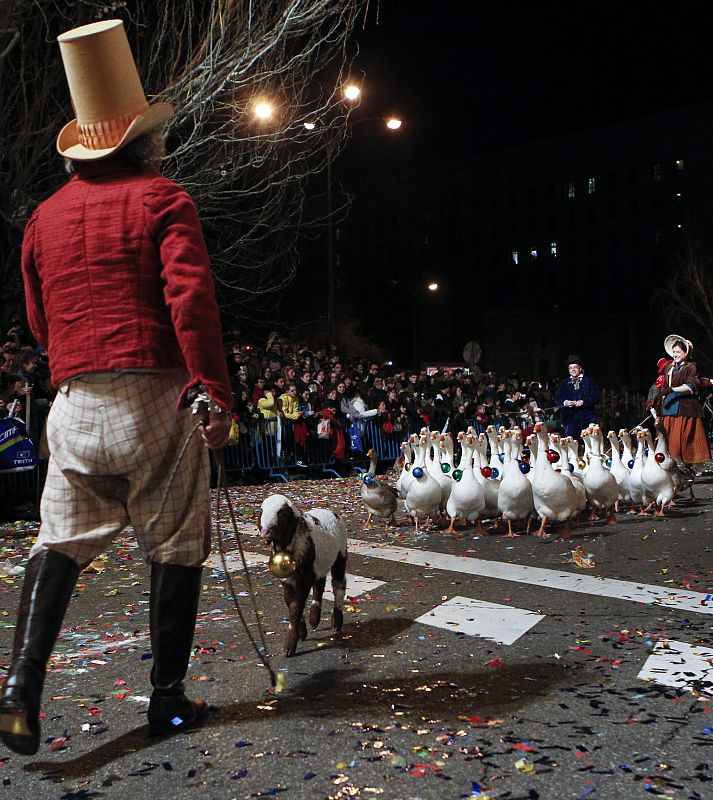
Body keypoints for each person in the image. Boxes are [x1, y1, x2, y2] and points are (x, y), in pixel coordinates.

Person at [0, 20, 232, 756]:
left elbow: (39, 319)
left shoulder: (43, 217)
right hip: (151, 394)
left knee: (59, 541)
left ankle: (19, 687)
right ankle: (165, 699)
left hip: (73, 401)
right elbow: (188, 302)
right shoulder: (165, 199)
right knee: (173, 543)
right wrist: (211, 390)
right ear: (141, 140)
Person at [657, 335, 711, 467]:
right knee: (667, 439)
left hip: (685, 408)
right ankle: (671, 466)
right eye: (674, 351)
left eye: (678, 352)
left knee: (682, 439)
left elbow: (691, 386)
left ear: (685, 353)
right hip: (670, 408)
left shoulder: (691, 367)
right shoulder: (669, 367)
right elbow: (664, 386)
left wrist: (673, 389)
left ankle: (686, 466)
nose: (675, 354)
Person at [554, 355, 599, 438]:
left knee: (588, 442)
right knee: (571, 442)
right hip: (570, 419)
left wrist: (583, 402)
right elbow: (558, 398)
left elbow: (595, 397)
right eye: (570, 368)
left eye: (575, 367)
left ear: (580, 369)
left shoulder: (589, 382)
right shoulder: (564, 383)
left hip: (586, 417)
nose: (573, 370)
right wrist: (565, 402)